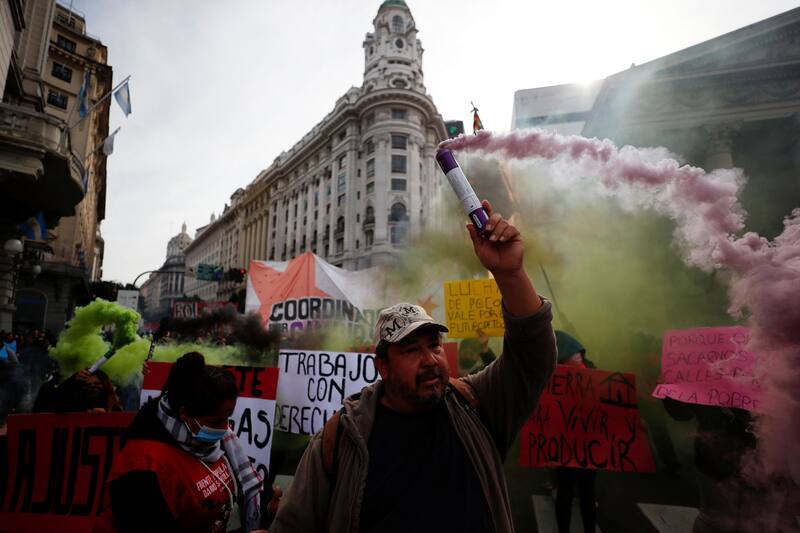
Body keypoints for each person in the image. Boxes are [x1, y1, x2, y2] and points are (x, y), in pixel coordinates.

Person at [270, 200, 557, 533]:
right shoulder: (341, 438)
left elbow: (532, 355)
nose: (431, 359)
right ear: (383, 366)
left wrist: (511, 274)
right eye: (411, 350)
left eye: (434, 345)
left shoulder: (475, 404)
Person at [93, 352, 266, 533]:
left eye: (228, 418)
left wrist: (269, 509)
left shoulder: (210, 443)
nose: (225, 429)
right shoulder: (143, 468)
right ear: (184, 413)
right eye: (215, 422)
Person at [552, 330, 597, 533]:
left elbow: (610, 406)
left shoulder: (594, 373)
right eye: (572, 355)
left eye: (579, 354)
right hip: (565, 445)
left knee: (587, 494)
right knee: (566, 493)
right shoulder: (552, 379)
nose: (577, 357)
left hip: (589, 445)